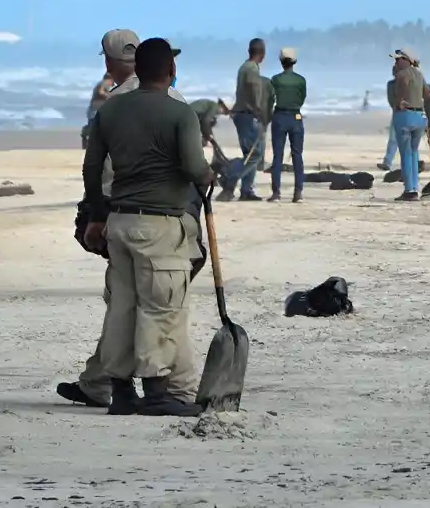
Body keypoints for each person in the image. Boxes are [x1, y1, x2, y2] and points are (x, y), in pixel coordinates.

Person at [59, 29, 205, 413]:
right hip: (160, 222)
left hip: (118, 221)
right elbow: (193, 167)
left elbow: (92, 167)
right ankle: (159, 394)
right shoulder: (179, 109)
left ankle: (120, 392)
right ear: (171, 68)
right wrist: (207, 179)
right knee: (162, 307)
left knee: (122, 307)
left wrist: (97, 213)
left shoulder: (110, 108)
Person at [224, 38, 274, 202]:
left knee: (250, 152)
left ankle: (247, 190)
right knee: (255, 154)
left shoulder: (245, 67)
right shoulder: (252, 69)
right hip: (247, 114)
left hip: (242, 113)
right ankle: (231, 177)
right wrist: (258, 111)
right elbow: (253, 91)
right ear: (262, 54)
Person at [390, 49, 430, 201]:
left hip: (405, 116)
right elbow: (428, 94)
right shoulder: (420, 74)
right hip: (419, 116)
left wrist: (400, 99)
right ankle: (414, 187)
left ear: (406, 60)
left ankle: (410, 190)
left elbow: (404, 84)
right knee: (414, 152)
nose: (395, 62)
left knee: (406, 153)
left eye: (398, 59)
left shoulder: (402, 74)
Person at [267, 48, 307, 203]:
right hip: (295, 116)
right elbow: (302, 98)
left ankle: (276, 193)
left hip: (279, 116)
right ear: (294, 62)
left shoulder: (275, 79)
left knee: (278, 156)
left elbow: (271, 99)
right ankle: (298, 193)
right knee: (297, 155)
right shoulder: (300, 80)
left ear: (281, 62)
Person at [378, 75, 400, 171]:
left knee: (396, 140)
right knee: (393, 139)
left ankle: (388, 162)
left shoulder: (414, 80)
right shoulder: (391, 84)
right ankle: (387, 162)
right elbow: (391, 101)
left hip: (408, 113)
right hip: (399, 112)